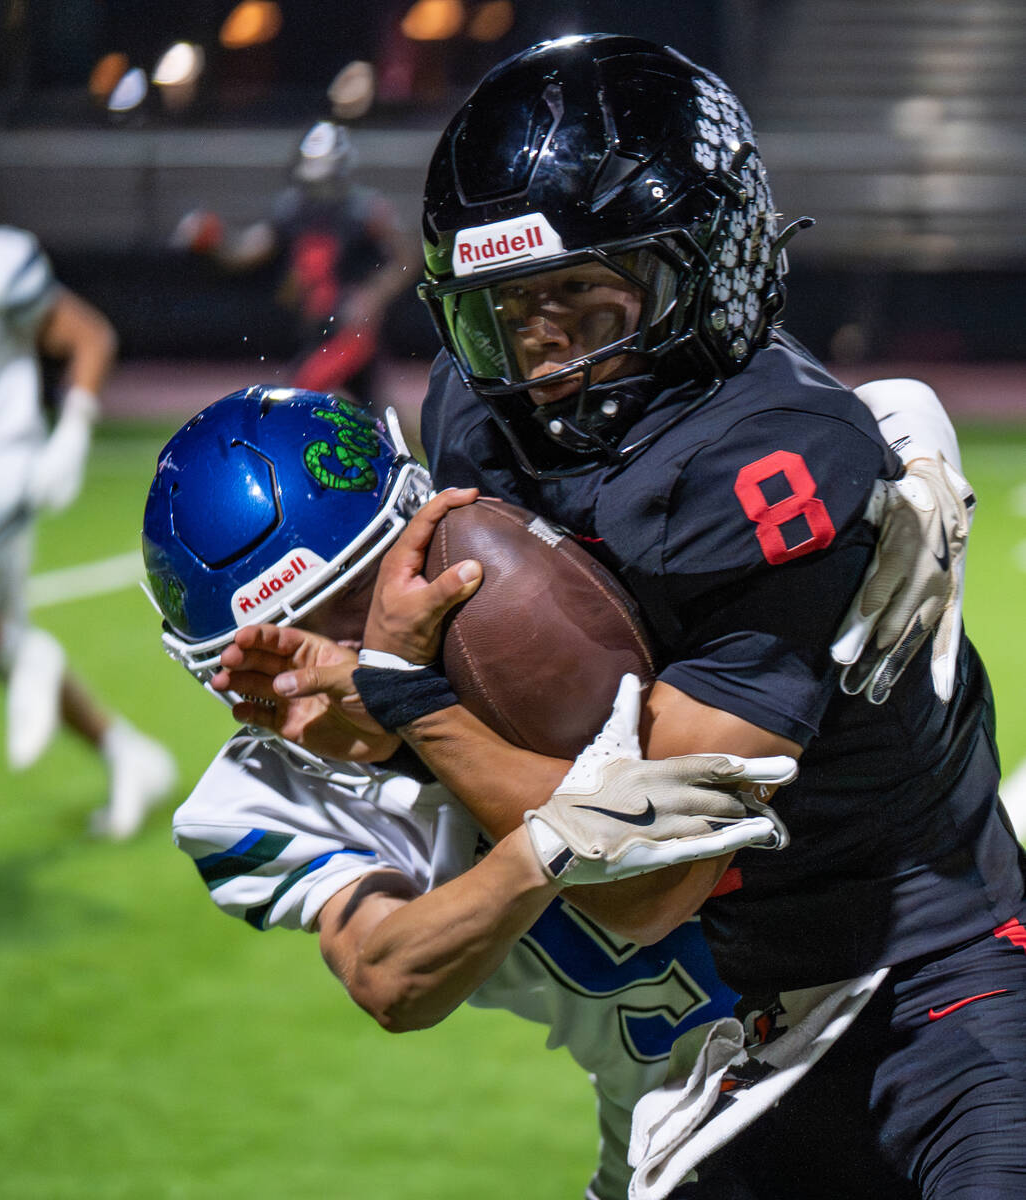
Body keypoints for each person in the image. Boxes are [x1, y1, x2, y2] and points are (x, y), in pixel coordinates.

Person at [244, 36, 1021, 1199]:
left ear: (708, 268)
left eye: (579, 299)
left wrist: (413, 708)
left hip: (922, 967)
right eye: (507, 308)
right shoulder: (478, 410)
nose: (544, 355)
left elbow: (654, 863)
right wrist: (387, 707)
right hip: (721, 1034)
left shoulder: (772, 465)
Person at [144, 386, 798, 1200]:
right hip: (674, 1129)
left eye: (349, 603)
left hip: (860, 1010)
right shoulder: (259, 799)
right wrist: (545, 846)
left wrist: (896, 455)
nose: (315, 665)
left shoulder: (550, 583)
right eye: (261, 656)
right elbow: (391, 980)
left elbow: (801, 458)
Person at [0, 146, 177, 838]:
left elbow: (88, 335)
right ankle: (127, 752)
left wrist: (72, 431)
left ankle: (33, 659)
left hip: (3, 463)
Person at [172, 120, 419, 413]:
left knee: (297, 398)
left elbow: (407, 256)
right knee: (379, 413)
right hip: (317, 330)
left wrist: (373, 294)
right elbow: (249, 251)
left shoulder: (365, 210)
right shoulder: (293, 209)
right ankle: (417, 454)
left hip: (350, 331)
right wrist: (214, 240)